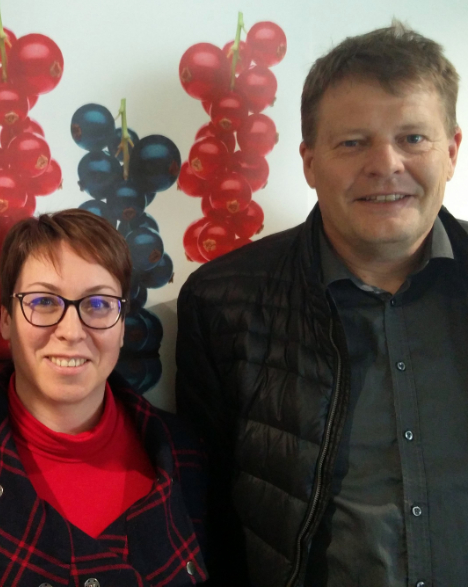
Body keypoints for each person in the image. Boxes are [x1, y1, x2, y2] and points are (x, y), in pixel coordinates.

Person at [176, 22, 463, 587]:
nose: (386, 164)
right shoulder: (221, 304)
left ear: (452, 150)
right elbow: (205, 518)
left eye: (413, 138)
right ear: (309, 161)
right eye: (352, 142)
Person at [0, 209, 208, 586]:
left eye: (98, 305)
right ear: (6, 320)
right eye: (44, 302)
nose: (71, 331)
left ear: (122, 326)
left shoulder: (185, 453)